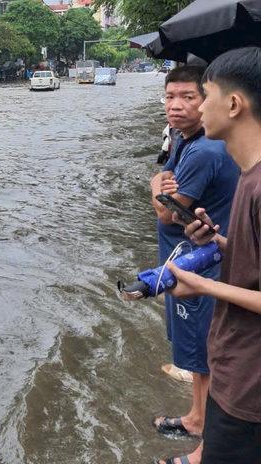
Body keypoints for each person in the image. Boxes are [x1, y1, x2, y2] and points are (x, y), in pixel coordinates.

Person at [164, 47, 261, 464]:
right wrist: (220, 245)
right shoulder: (248, 175)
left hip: (250, 380)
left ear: (234, 104)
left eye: (205, 94)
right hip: (233, 367)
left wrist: (202, 284)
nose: (197, 107)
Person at [149, 65, 239, 464]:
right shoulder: (189, 141)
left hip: (203, 265)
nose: (176, 106)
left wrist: (155, 185)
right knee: (201, 353)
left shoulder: (203, 151)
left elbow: (166, 212)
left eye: (189, 97)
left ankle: (206, 443)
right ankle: (197, 418)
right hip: (197, 257)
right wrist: (164, 177)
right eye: (170, 97)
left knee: (211, 354)